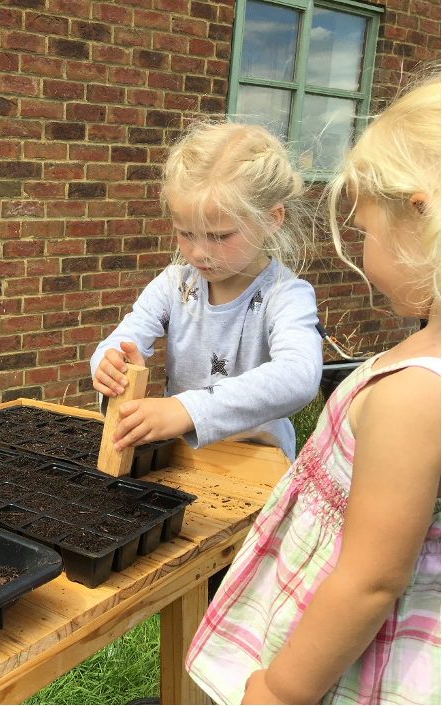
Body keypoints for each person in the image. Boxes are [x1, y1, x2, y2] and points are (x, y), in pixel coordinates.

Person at [186, 74, 441, 704]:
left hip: (343, 664)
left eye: (363, 230)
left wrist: (282, 688)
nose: (359, 244)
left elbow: (370, 580)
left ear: (419, 214)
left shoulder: (415, 395)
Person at [90, 122, 322, 461]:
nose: (199, 253)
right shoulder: (174, 286)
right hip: (179, 459)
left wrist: (187, 409)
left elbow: (299, 376)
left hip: (258, 467)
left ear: (272, 218)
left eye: (219, 236)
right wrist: (109, 365)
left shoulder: (286, 296)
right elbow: (122, 340)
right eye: (186, 234)